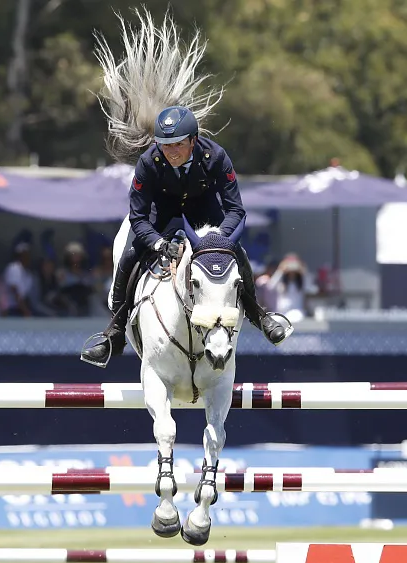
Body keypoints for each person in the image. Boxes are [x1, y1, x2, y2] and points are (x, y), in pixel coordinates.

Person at [80, 9, 291, 367]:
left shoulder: (216, 157)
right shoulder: (150, 161)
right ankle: (114, 332)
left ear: (194, 140)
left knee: (236, 255)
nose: (171, 151)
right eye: (165, 144)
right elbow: (138, 216)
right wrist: (159, 244)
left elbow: (237, 211)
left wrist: (220, 239)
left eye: (178, 144)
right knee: (130, 257)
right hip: (161, 220)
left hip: (206, 218)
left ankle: (259, 314)